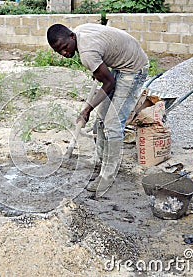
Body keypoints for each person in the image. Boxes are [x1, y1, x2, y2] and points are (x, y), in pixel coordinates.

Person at [47, 23, 149, 195]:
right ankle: (101, 161)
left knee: (112, 124)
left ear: (72, 37)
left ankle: (107, 176)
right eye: (59, 52)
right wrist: (98, 71)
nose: (64, 53)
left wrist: (87, 109)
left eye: (65, 48)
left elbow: (109, 83)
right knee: (101, 119)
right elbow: (105, 76)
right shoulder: (78, 35)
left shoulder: (87, 52)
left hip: (133, 68)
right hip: (121, 64)